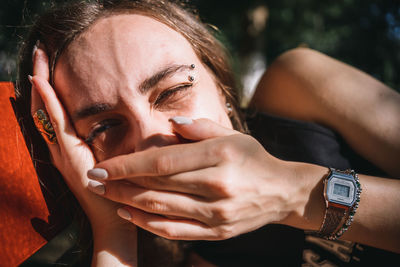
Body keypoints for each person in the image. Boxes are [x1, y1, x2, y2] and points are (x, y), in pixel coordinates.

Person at [16, 0, 400, 266]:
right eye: (105, 126)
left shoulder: (296, 85)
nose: (153, 139)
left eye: (173, 91)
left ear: (221, 88)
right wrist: (112, 228)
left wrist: (292, 193)